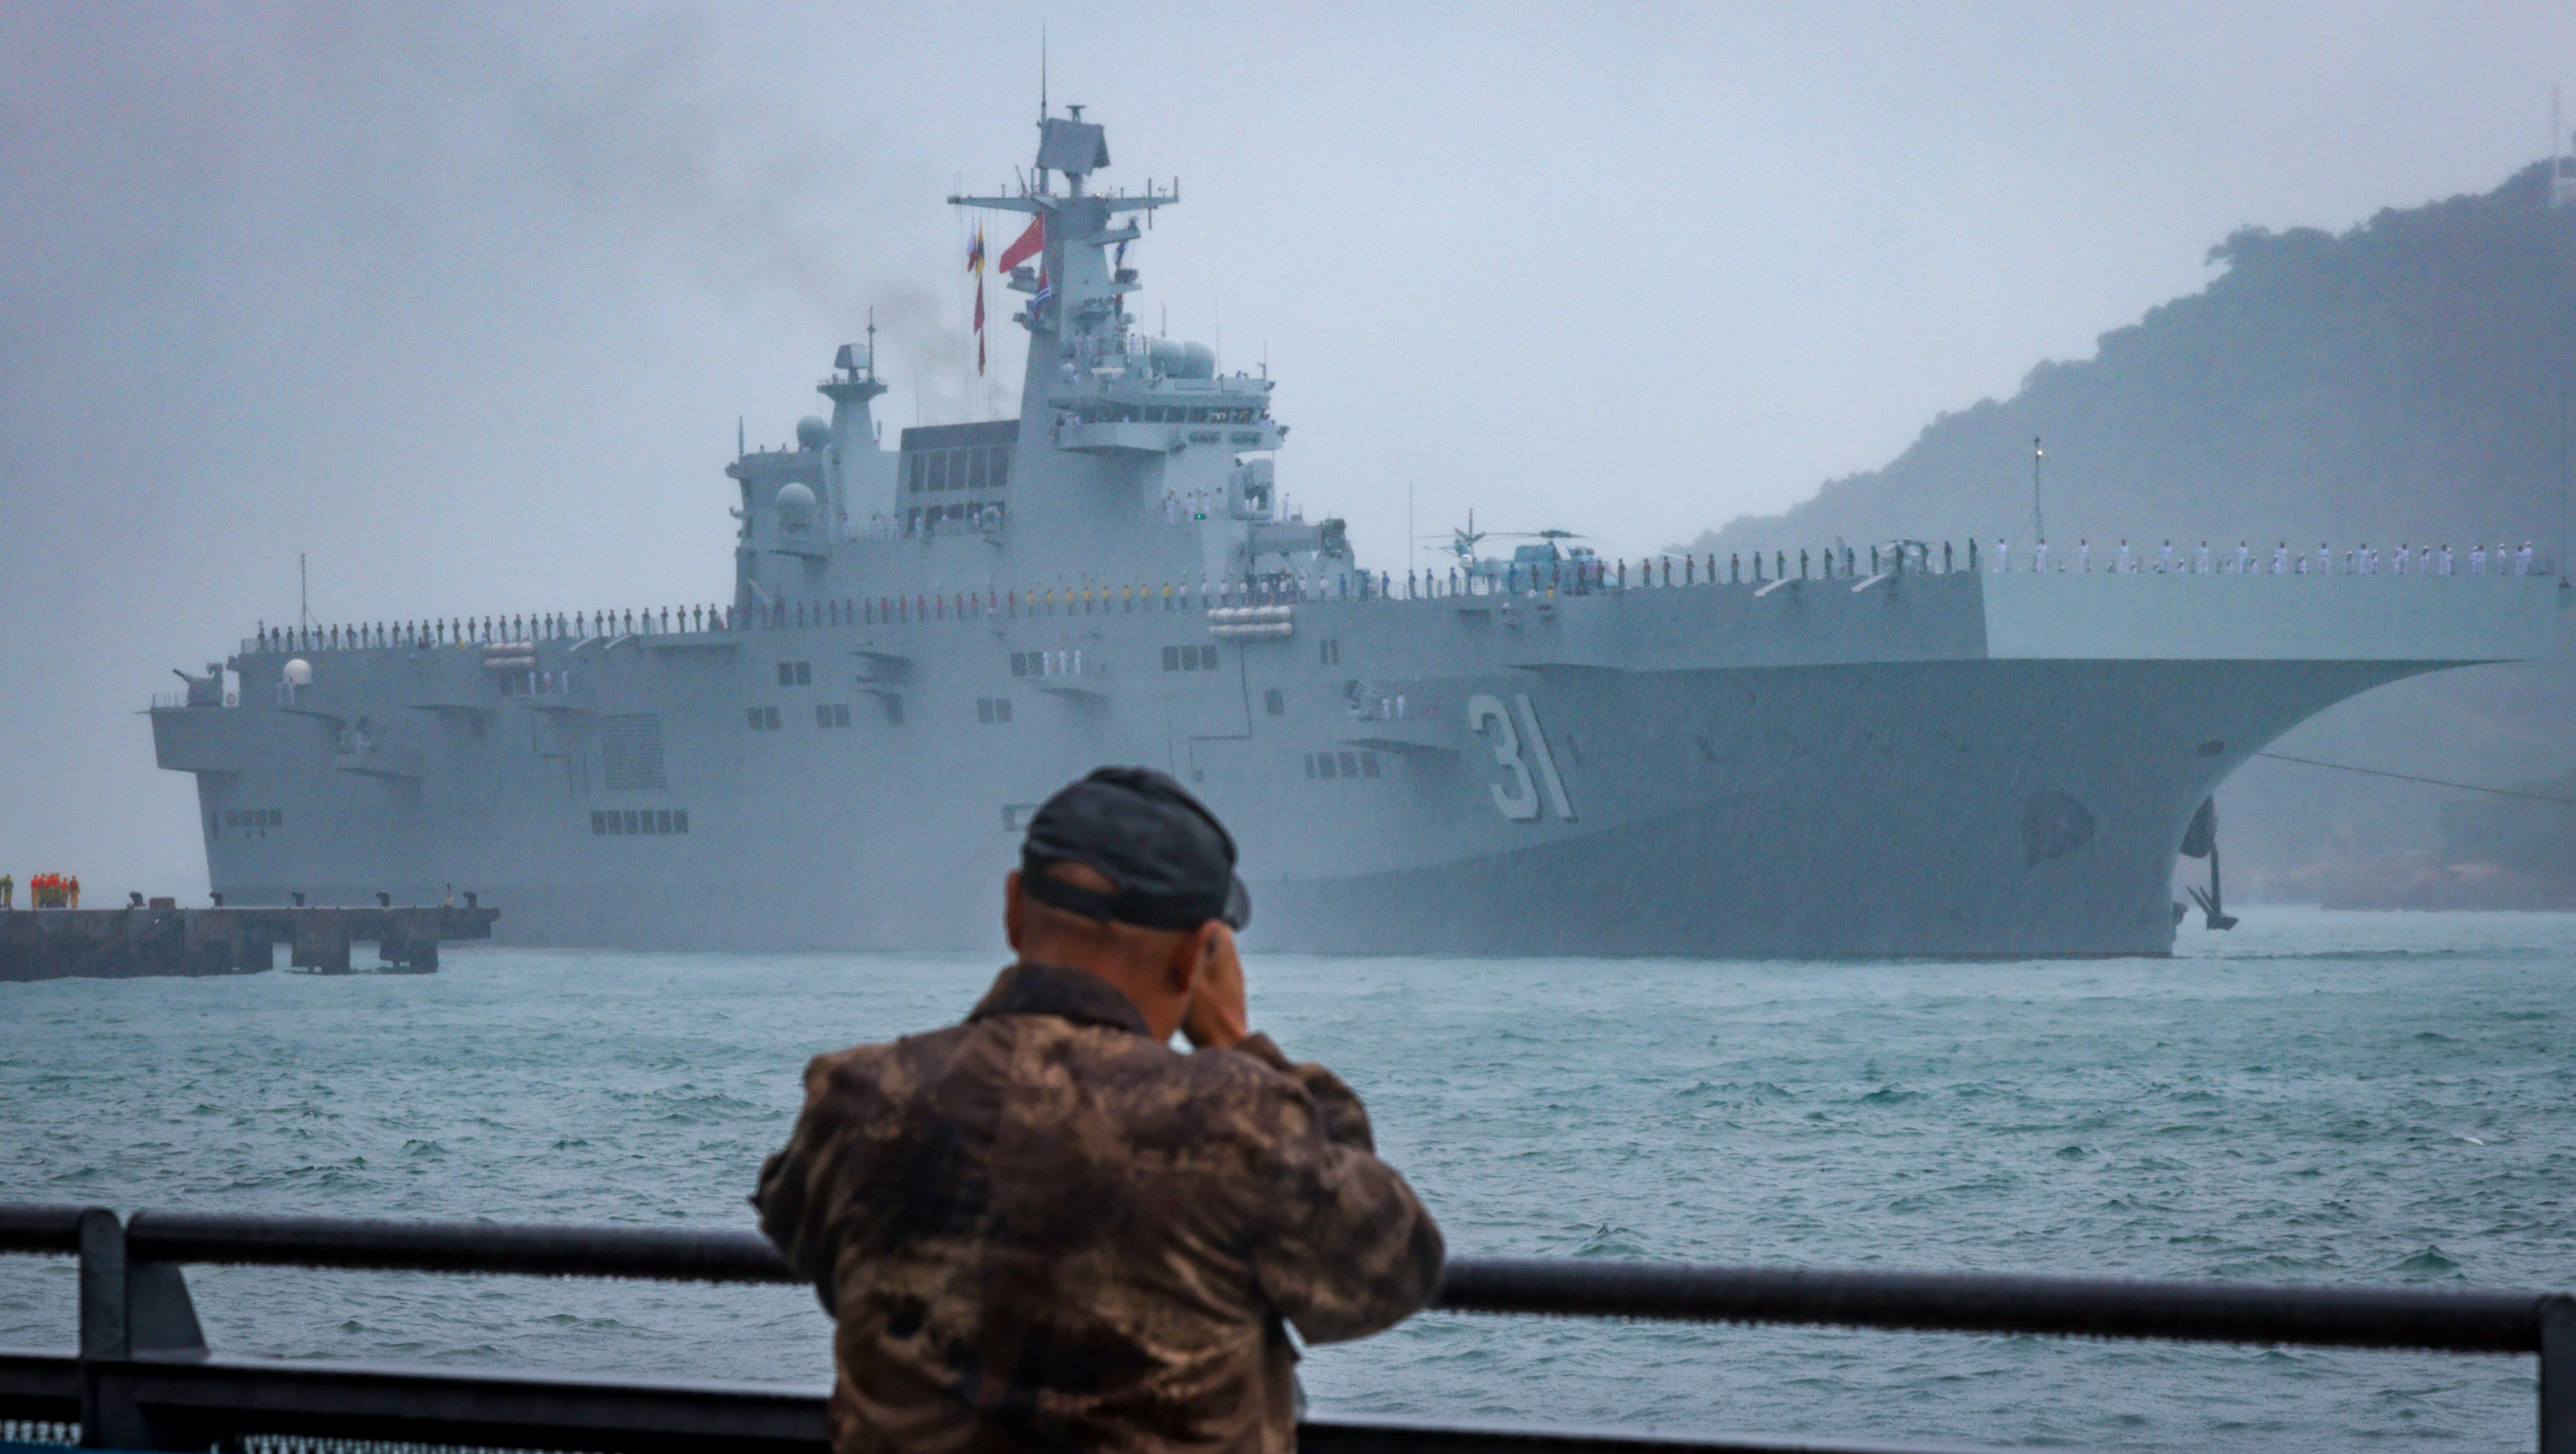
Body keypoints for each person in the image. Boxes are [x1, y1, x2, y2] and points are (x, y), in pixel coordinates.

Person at [754, 767, 1444, 1454]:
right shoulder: (1239, 1120)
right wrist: (1238, 1041)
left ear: (1014, 908)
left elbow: (801, 1232)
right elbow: (1395, 1267)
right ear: (1196, 957)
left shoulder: (860, 1099)